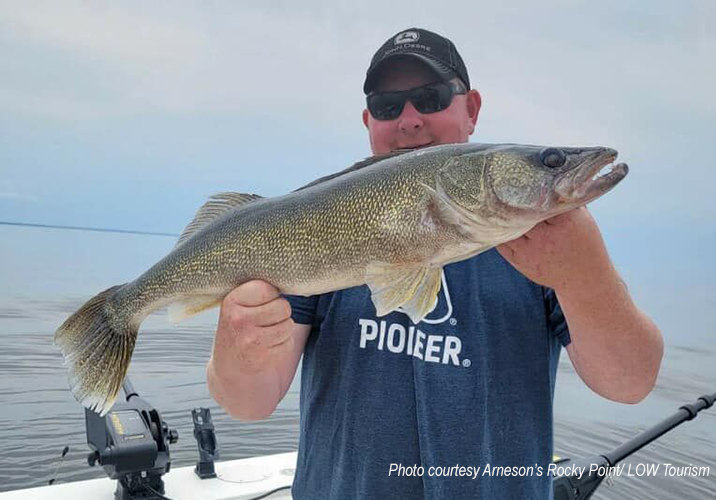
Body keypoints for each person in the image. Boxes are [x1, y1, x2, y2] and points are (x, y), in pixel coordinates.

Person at [206, 28, 664, 499]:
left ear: (472, 109)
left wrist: (586, 278)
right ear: (369, 121)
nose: (409, 120)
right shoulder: (313, 226)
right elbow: (248, 402)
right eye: (388, 106)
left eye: (430, 97)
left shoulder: (552, 243)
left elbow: (630, 383)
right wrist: (233, 347)